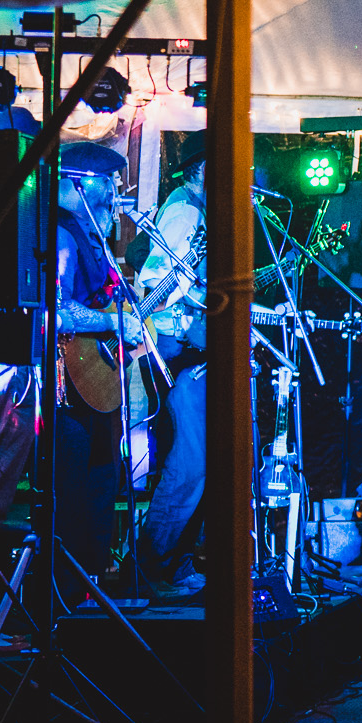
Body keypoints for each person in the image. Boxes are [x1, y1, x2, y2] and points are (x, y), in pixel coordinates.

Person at [0, 141, 130, 625]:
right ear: (83, 184)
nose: (114, 196)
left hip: (28, 378)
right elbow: (56, 310)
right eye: (108, 186)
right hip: (4, 376)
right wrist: (115, 325)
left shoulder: (75, 235)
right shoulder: (56, 233)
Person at [131, 160, 215, 598]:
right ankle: (154, 565)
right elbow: (156, 279)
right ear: (200, 170)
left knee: (195, 464)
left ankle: (175, 563)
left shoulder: (192, 209)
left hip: (184, 347)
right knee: (189, 463)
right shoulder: (187, 212)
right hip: (174, 350)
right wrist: (196, 299)